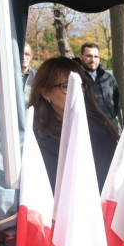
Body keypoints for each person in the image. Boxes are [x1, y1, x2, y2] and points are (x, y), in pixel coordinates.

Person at [28, 56, 119, 190]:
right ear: (46, 93)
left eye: (81, 85)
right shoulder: (32, 138)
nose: (77, 91)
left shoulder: (102, 130)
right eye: (67, 86)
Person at [79, 41, 121, 123]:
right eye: (89, 56)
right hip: (86, 130)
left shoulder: (109, 78)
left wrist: (111, 117)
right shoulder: (76, 78)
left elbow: (116, 102)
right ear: (81, 56)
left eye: (96, 57)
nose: (93, 60)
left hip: (109, 127)